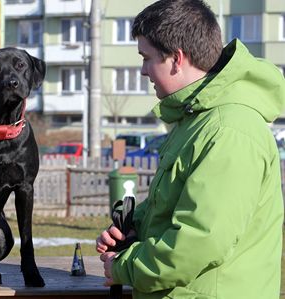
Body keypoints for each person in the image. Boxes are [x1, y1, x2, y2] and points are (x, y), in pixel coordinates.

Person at [96, 0, 285, 298]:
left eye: (146, 58)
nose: (143, 71)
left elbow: (199, 241)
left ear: (176, 59)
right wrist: (132, 231)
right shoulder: (195, 120)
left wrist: (125, 266)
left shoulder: (228, 131)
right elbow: (173, 205)